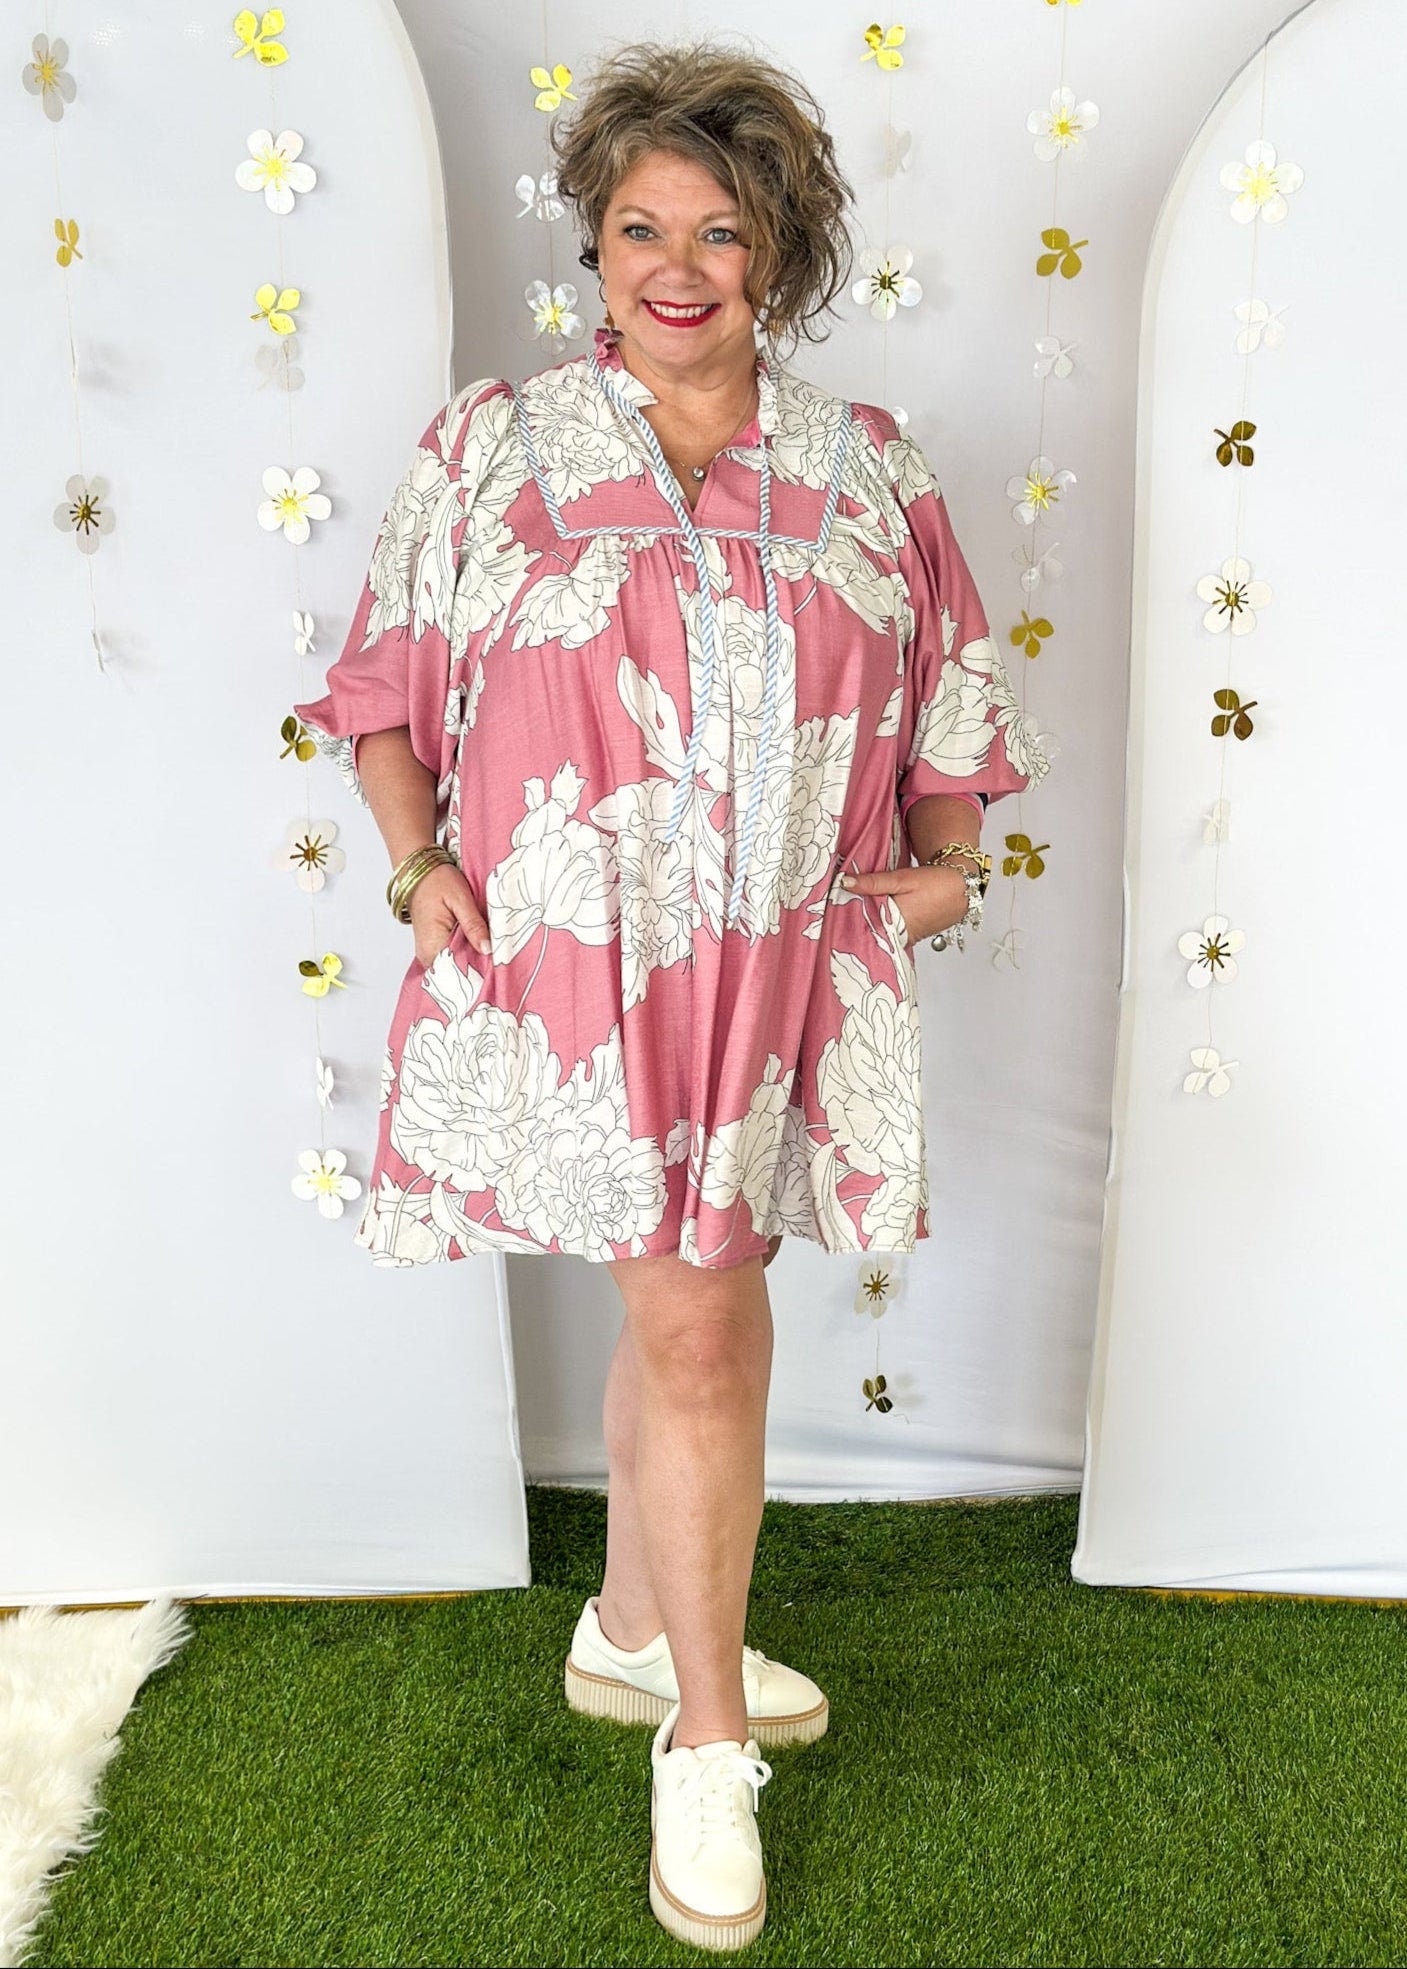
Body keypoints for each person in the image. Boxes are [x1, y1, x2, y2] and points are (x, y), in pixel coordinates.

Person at [293, 35, 1045, 1952]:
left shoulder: (869, 469)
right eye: (639, 226)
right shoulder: (497, 446)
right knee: (700, 1323)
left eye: (720, 228)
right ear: (595, 245)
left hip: (779, 961)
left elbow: (950, 707)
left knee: (689, 1294)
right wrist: (416, 858)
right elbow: (381, 686)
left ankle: (632, 1627)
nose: (677, 264)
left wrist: (946, 859)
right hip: (578, 965)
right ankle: (704, 1739)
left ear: (778, 251)